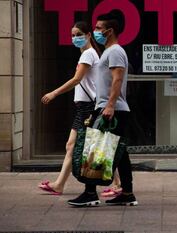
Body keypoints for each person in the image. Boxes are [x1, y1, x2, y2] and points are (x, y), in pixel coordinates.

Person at [37, 21, 121, 197]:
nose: (75, 38)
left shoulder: (88, 55)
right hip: (84, 108)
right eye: (73, 35)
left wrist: (54, 93)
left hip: (88, 108)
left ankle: (117, 183)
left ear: (89, 35)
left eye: (78, 35)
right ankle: (60, 184)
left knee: (95, 145)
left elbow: (76, 80)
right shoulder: (89, 54)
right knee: (75, 145)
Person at [67, 11, 137, 206]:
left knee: (94, 149)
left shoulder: (114, 51)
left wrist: (110, 106)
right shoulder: (108, 51)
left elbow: (118, 79)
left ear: (109, 30)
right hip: (110, 107)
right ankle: (128, 193)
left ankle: (90, 193)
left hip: (111, 109)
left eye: (98, 28)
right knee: (120, 153)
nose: (96, 31)